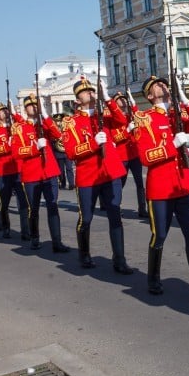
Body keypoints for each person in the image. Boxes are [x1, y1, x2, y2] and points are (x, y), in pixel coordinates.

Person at [133, 75, 189, 298]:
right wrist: (172, 145)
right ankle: (153, 278)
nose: (162, 85)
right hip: (161, 188)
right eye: (156, 85)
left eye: (164, 83)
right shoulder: (144, 118)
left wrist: (185, 99)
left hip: (183, 184)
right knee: (159, 234)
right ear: (150, 95)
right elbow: (145, 157)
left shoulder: (177, 114)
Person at [62, 78, 134, 273]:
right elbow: (70, 152)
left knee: (115, 215)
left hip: (110, 173)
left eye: (92, 90)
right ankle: (84, 253)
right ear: (77, 100)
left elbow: (122, 120)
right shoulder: (70, 122)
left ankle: (119, 259)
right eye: (85, 92)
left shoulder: (105, 114)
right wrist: (93, 143)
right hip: (88, 176)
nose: (90, 93)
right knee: (86, 218)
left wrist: (107, 98)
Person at [11, 97, 70, 252]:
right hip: (31, 174)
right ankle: (35, 238)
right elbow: (16, 152)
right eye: (30, 105)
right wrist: (34, 148)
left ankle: (57, 242)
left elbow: (59, 135)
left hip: (49, 172)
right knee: (33, 208)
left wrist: (45, 115)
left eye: (36, 105)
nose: (33, 107)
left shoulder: (45, 123)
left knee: (53, 206)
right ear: (25, 109)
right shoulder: (19, 127)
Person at [0, 104, 31, 239]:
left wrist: (15, 113)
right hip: (3, 172)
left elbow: (25, 123)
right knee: (4, 202)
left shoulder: (16, 127)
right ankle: (6, 227)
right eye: (1, 111)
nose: (4, 112)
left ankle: (25, 231)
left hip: (18, 169)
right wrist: (7, 146)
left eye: (6, 110)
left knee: (23, 202)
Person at [109, 91, 148, 219]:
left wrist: (133, 101)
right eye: (120, 100)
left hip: (134, 155)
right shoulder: (113, 121)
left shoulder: (130, 116)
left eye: (125, 100)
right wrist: (127, 130)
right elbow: (115, 138)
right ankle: (116, 206)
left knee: (140, 183)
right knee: (120, 183)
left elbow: (138, 115)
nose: (124, 102)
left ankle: (142, 208)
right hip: (122, 157)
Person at [51, 113, 76, 190]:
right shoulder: (53, 130)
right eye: (56, 121)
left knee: (69, 168)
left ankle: (71, 184)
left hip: (67, 152)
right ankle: (63, 183)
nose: (58, 123)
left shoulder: (65, 129)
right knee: (61, 170)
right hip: (58, 152)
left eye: (59, 121)